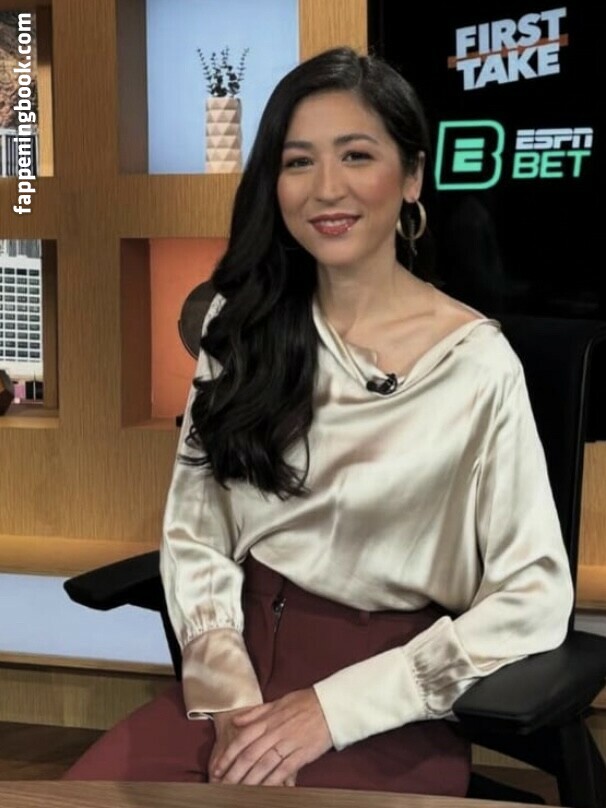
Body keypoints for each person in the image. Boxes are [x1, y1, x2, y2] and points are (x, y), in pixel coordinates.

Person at [64, 46, 573, 794]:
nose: (326, 188)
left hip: (388, 702)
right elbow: (196, 533)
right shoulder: (243, 327)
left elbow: (534, 597)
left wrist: (334, 710)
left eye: (356, 155)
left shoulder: (477, 364)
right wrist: (230, 699)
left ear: (412, 176)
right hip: (234, 679)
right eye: (298, 162)